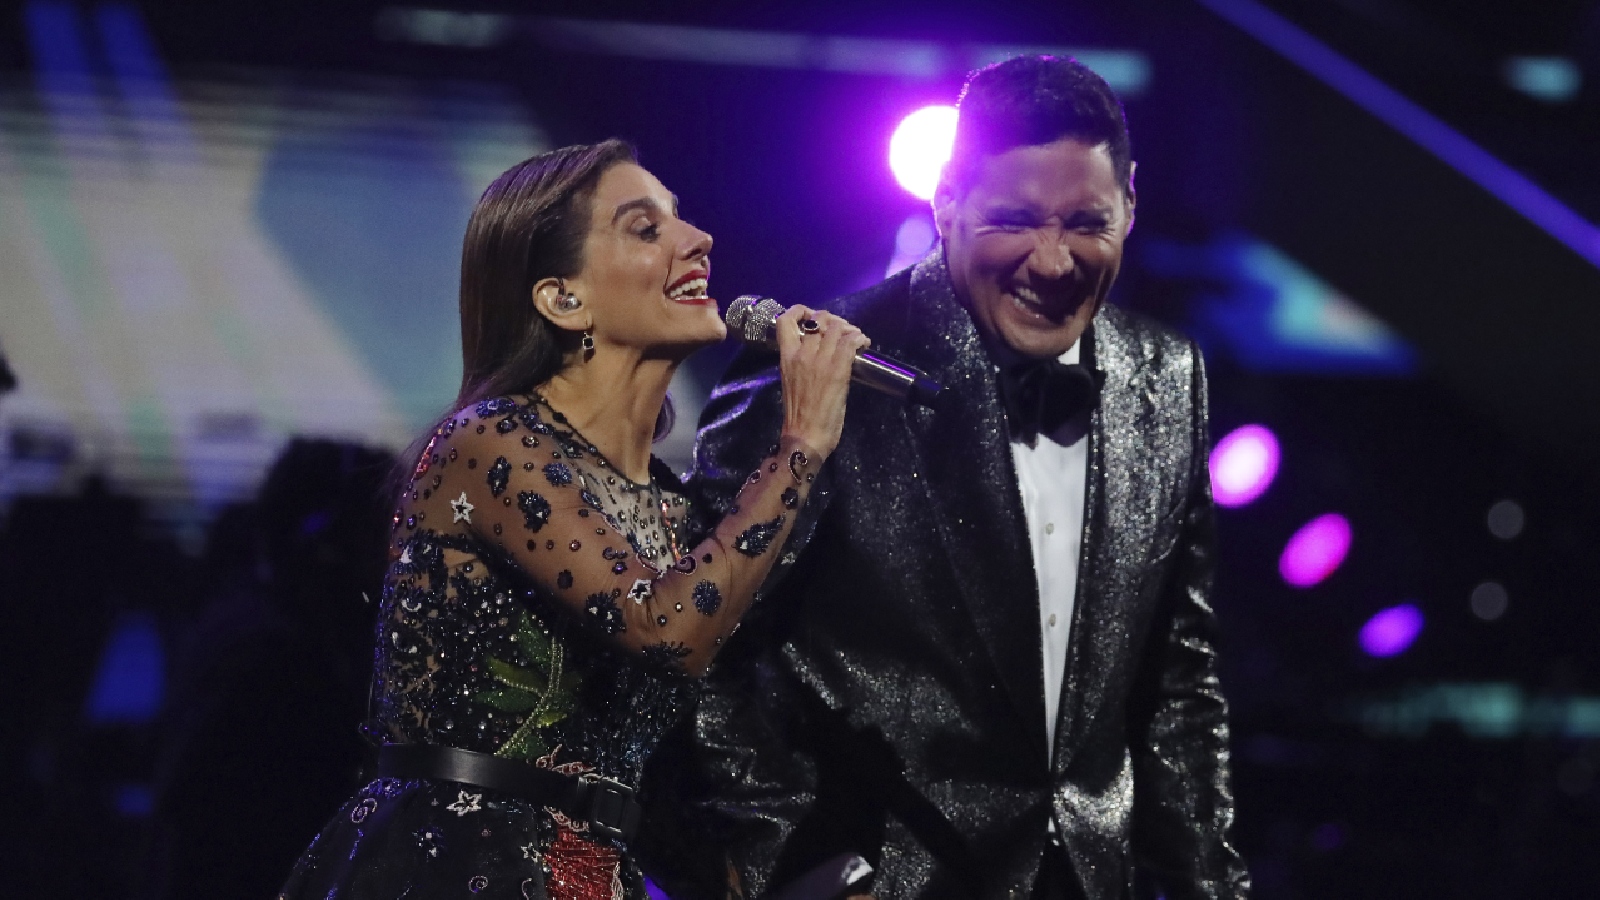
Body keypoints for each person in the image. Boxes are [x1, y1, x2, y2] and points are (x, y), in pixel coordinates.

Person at [689, 56, 1251, 899]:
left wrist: (1207, 887)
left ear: (1132, 202)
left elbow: (1179, 679)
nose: (1053, 261)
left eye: (1086, 222)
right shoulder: (820, 362)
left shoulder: (1170, 376)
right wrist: (779, 867)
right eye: (1016, 219)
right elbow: (706, 646)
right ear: (946, 199)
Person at [279, 139, 868, 900]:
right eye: (646, 228)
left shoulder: (671, 508)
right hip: (450, 865)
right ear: (563, 299)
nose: (699, 241)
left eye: (681, 221)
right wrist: (800, 447)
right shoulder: (490, 443)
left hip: (596, 873)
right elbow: (664, 631)